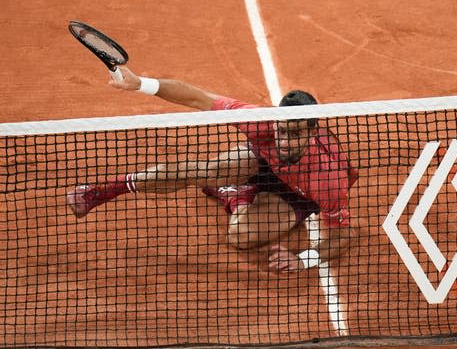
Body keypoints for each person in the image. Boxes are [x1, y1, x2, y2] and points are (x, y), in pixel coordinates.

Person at [66, 66, 358, 273]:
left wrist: (304, 259)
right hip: (262, 162)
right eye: (282, 130)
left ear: (311, 131)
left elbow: (344, 235)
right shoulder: (262, 123)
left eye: (294, 134)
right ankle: (104, 190)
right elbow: (198, 97)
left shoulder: (328, 178)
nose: (284, 140)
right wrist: (140, 83)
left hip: (297, 191)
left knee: (240, 238)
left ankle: (237, 196)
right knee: (201, 170)